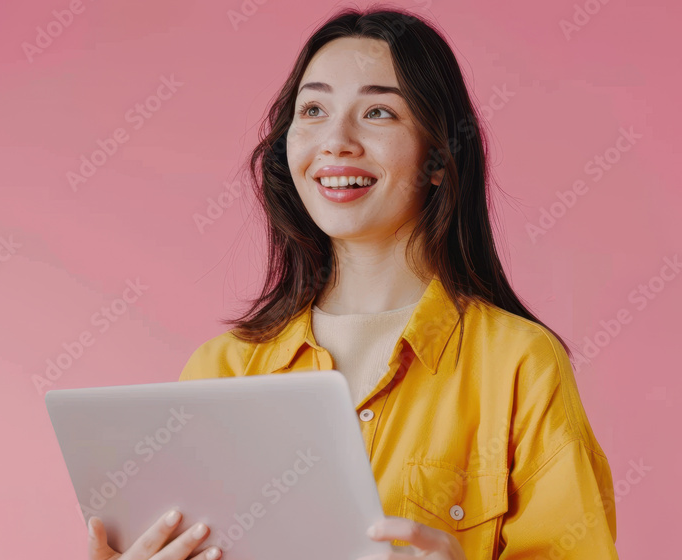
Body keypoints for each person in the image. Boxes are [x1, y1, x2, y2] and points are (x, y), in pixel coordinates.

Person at [87, 6, 617, 560]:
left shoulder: (520, 364)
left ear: (439, 157)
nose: (335, 141)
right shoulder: (220, 370)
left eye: (379, 112)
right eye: (313, 109)